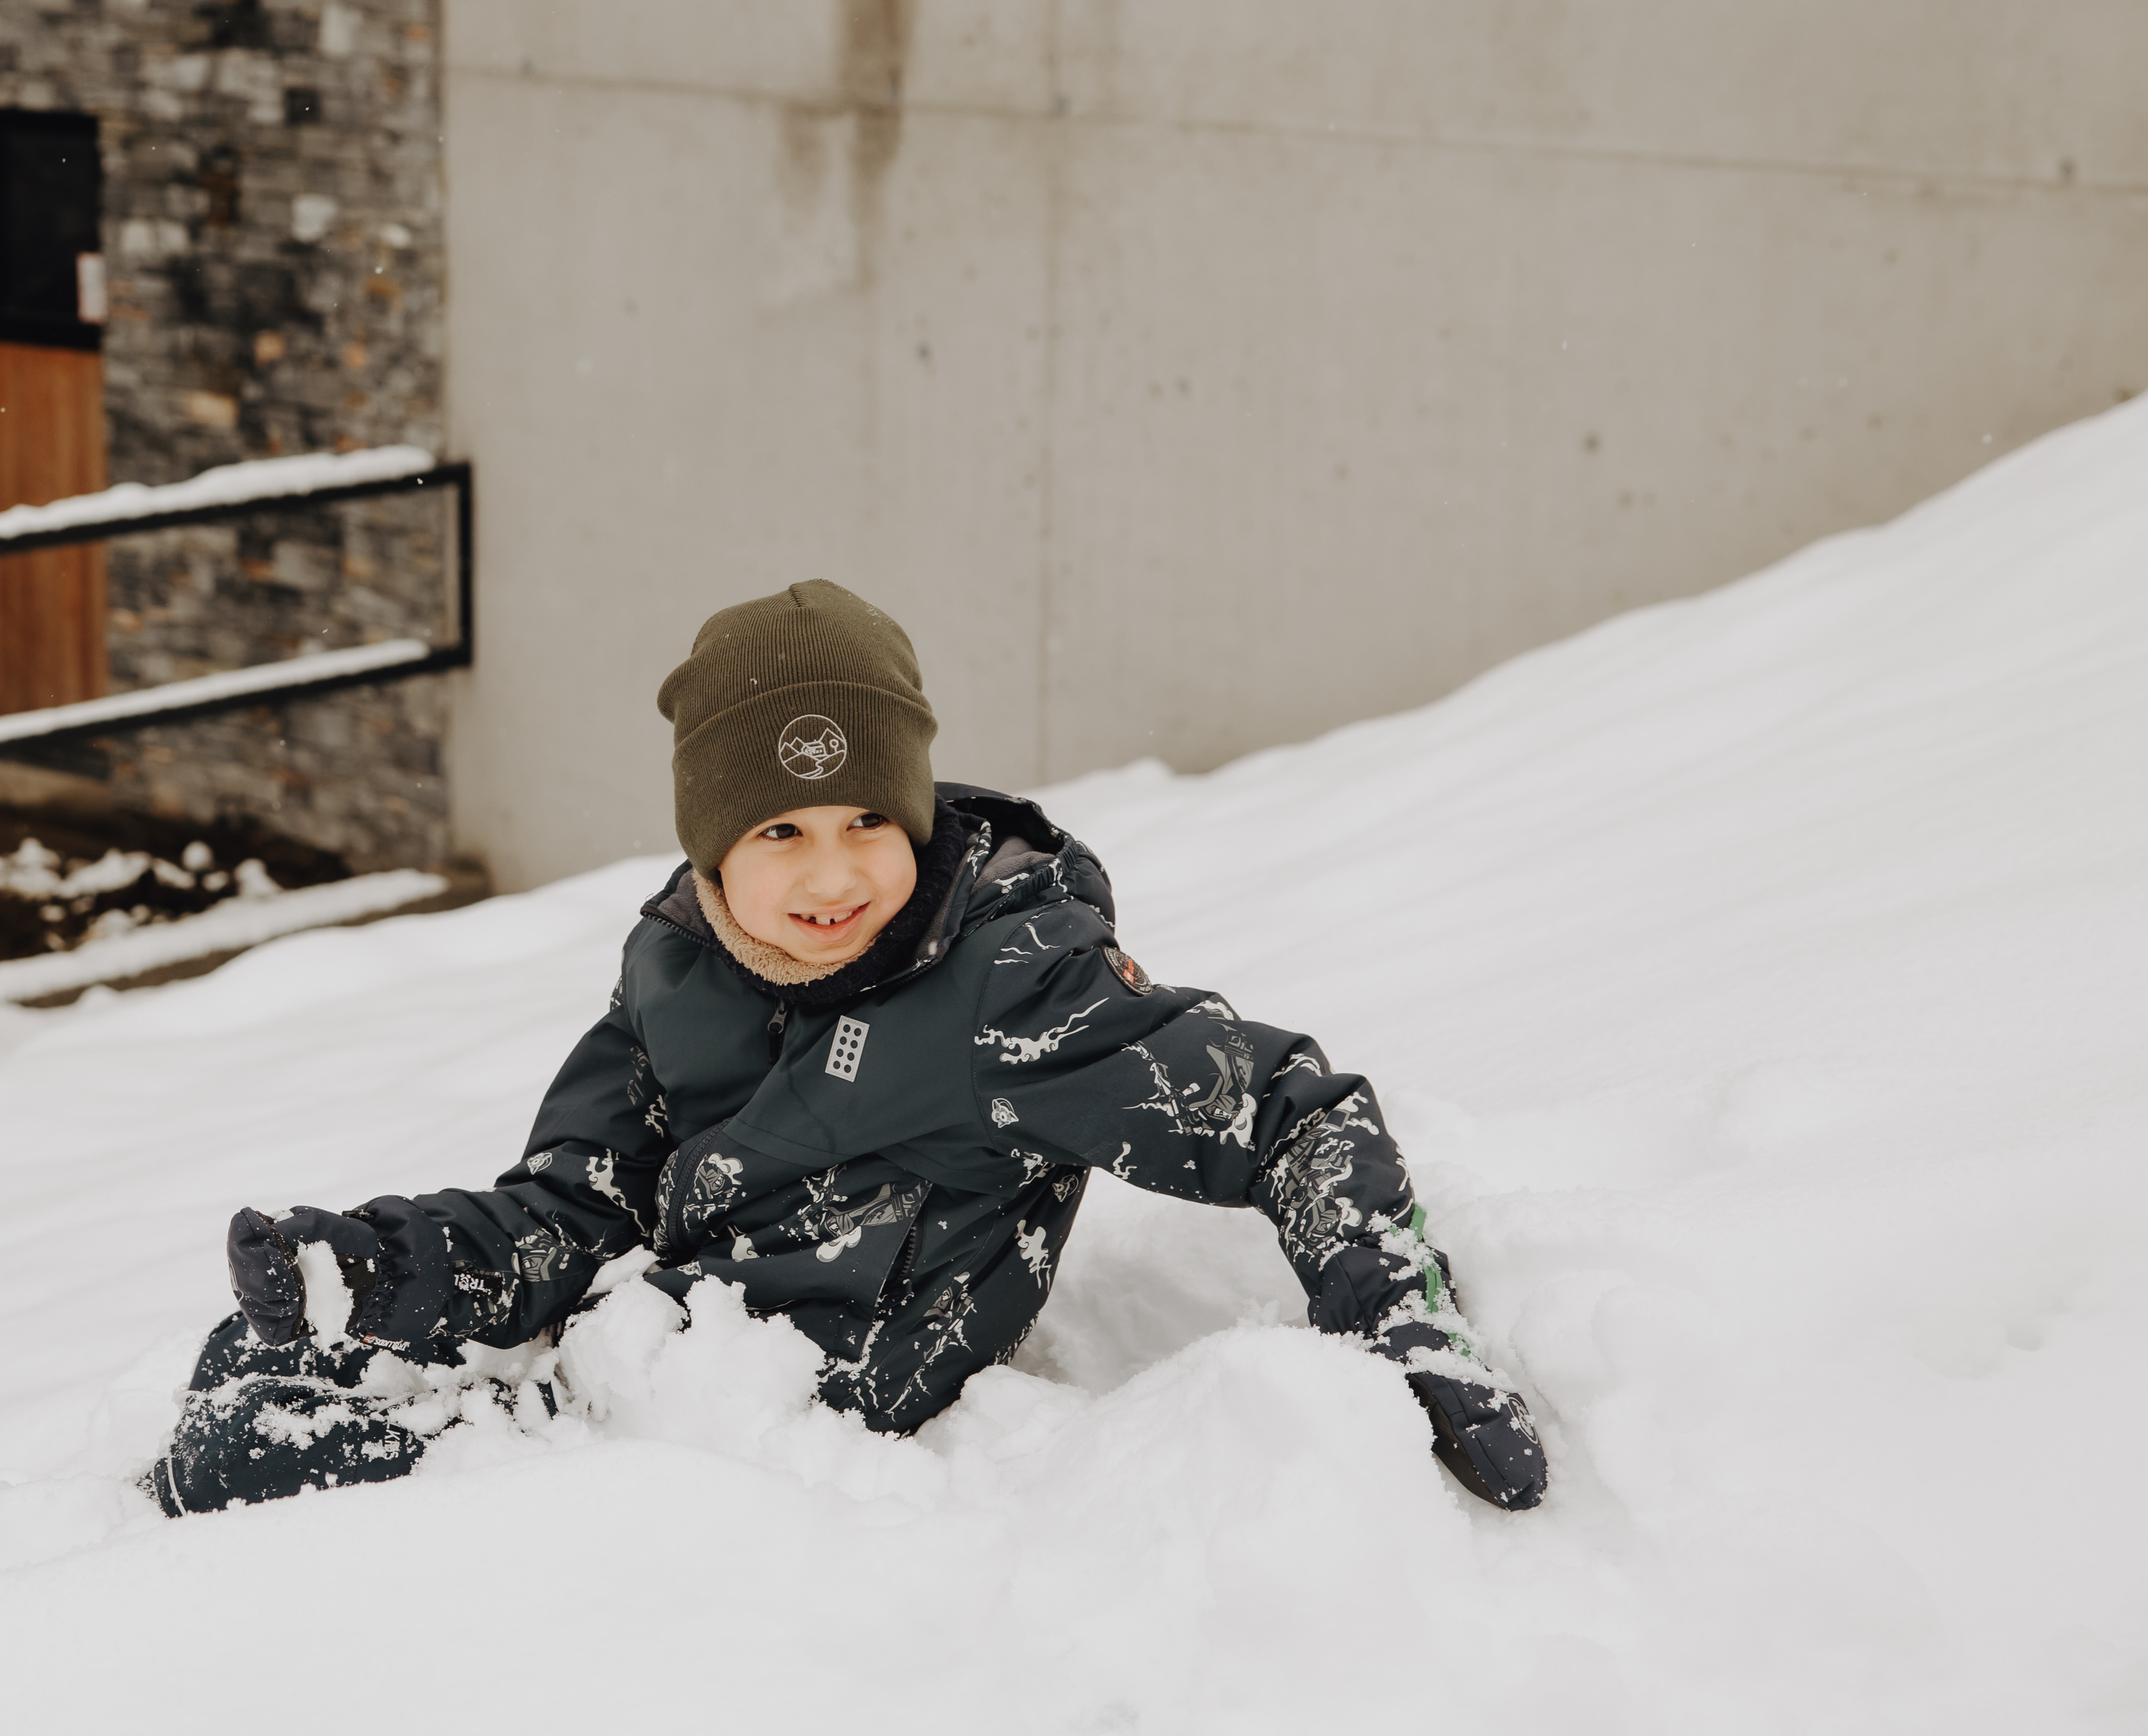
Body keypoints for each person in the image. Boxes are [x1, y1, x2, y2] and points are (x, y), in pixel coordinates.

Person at [147, 581, 1548, 1516]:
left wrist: (1397, 1314)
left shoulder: (1013, 989)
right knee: (252, 1350)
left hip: (765, 1428)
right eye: (779, 831)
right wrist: (384, 1269)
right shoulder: (673, 967)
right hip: (646, 1345)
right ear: (713, 846)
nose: (832, 874)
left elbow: (1293, 1114)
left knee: (239, 1459)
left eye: (868, 819)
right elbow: (576, 1206)